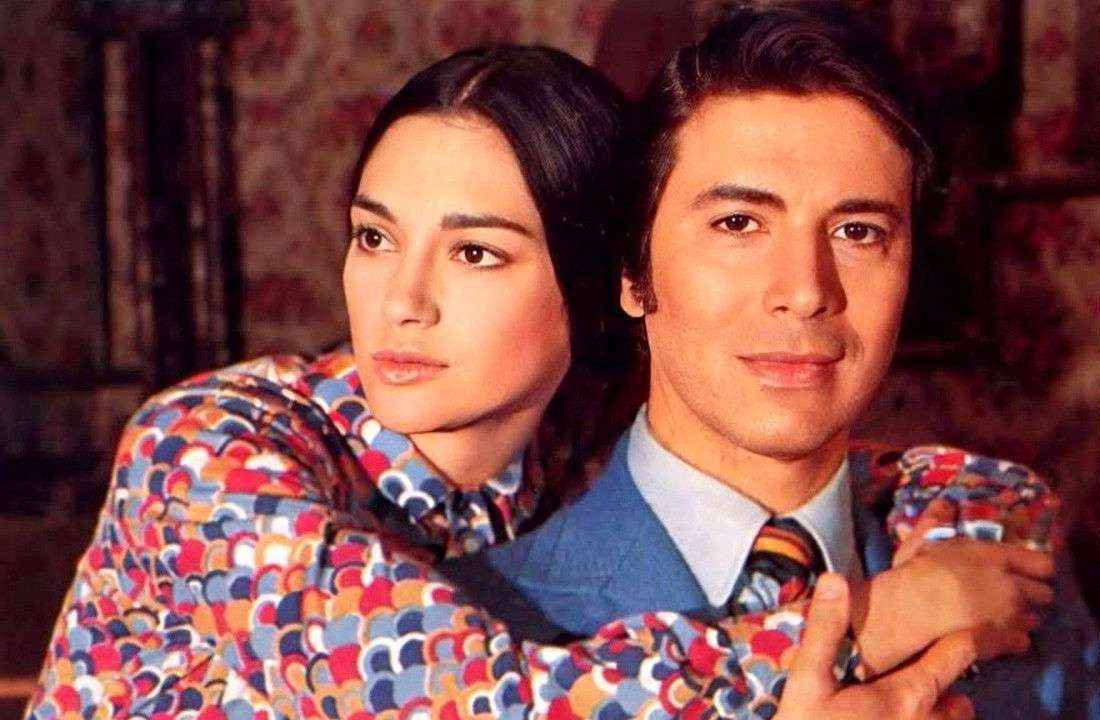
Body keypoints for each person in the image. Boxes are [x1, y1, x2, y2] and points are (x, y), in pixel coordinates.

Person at [23, 43, 1011, 720]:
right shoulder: (205, 445)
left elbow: (904, 476)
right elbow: (481, 702)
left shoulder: (568, 441)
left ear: (603, 283)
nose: (402, 301)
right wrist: (871, 625)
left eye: (475, 254)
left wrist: (965, 550)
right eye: (374, 238)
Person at [445, 5, 1100, 719]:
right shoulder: (475, 633)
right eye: (739, 223)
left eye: (857, 231)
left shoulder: (1002, 564)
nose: (806, 291)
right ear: (633, 272)